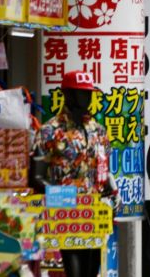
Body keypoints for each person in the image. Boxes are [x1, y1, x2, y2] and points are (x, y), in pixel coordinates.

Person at [34, 71, 116, 277]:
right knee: (75, 270)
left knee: (92, 269)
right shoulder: (50, 130)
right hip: (67, 211)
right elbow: (35, 177)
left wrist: (114, 191)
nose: (87, 98)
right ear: (68, 94)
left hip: (95, 210)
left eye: (89, 94)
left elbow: (104, 168)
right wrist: (59, 197)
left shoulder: (98, 131)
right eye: (81, 93)